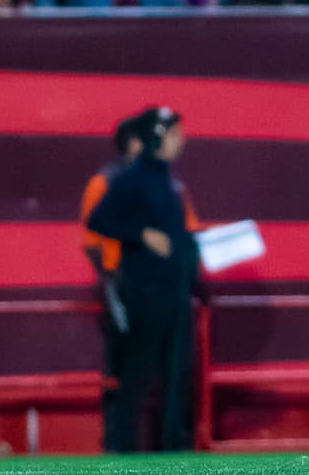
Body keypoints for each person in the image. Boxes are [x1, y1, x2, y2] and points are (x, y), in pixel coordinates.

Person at [87, 107, 203, 453]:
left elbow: (174, 233)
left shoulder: (169, 180)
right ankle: (122, 447)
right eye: (174, 134)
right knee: (136, 374)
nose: (182, 140)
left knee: (176, 372)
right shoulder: (130, 178)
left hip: (174, 290)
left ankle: (174, 446)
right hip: (145, 291)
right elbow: (99, 220)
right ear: (156, 137)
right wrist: (140, 234)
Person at [79, 111, 147, 452]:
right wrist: (114, 286)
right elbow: (91, 243)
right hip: (122, 287)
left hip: (161, 290)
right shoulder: (105, 183)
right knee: (120, 372)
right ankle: (117, 448)